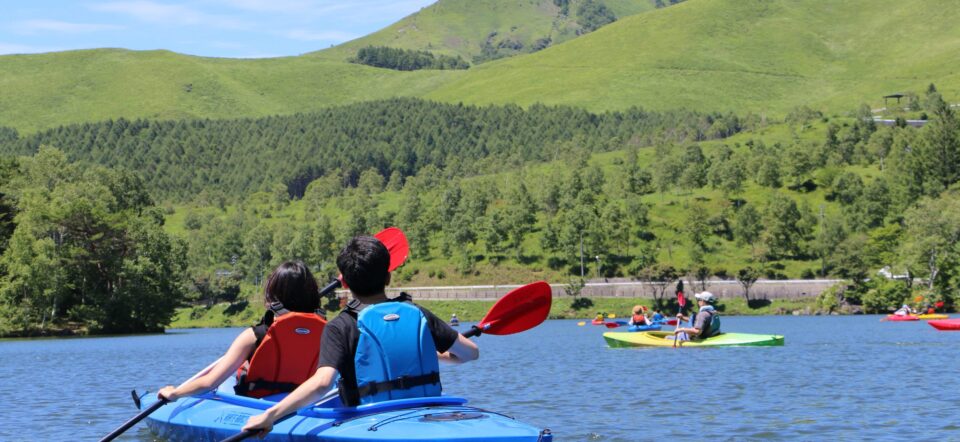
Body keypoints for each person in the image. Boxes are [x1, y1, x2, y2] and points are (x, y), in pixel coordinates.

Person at [241, 235, 479, 435]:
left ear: (345, 283)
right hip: (425, 416)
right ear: (388, 277)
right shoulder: (418, 314)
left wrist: (269, 415)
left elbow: (322, 383)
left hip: (371, 422)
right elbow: (470, 353)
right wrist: (428, 355)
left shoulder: (340, 326)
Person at [157, 261, 325, 401]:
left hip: (257, 406)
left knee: (227, 382)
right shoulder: (328, 333)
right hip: (302, 402)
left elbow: (210, 382)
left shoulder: (254, 336)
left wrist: (175, 392)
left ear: (273, 298)